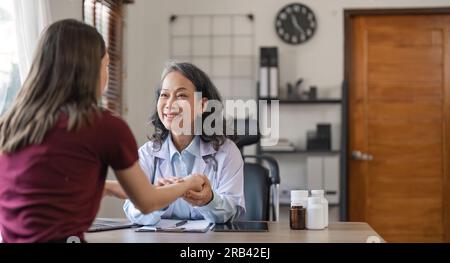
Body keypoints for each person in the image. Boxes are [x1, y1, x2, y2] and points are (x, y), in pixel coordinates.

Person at [0, 19, 205, 243]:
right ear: (89, 70)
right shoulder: (103, 127)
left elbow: (44, 187)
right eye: (106, 65)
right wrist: (188, 183)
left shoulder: (10, 124)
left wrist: (106, 187)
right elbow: (147, 202)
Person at [123, 62, 245, 225]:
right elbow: (131, 209)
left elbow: (232, 211)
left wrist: (209, 200)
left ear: (202, 105)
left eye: (181, 96)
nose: (169, 104)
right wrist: (156, 201)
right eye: (164, 95)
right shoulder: (147, 154)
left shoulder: (227, 153)